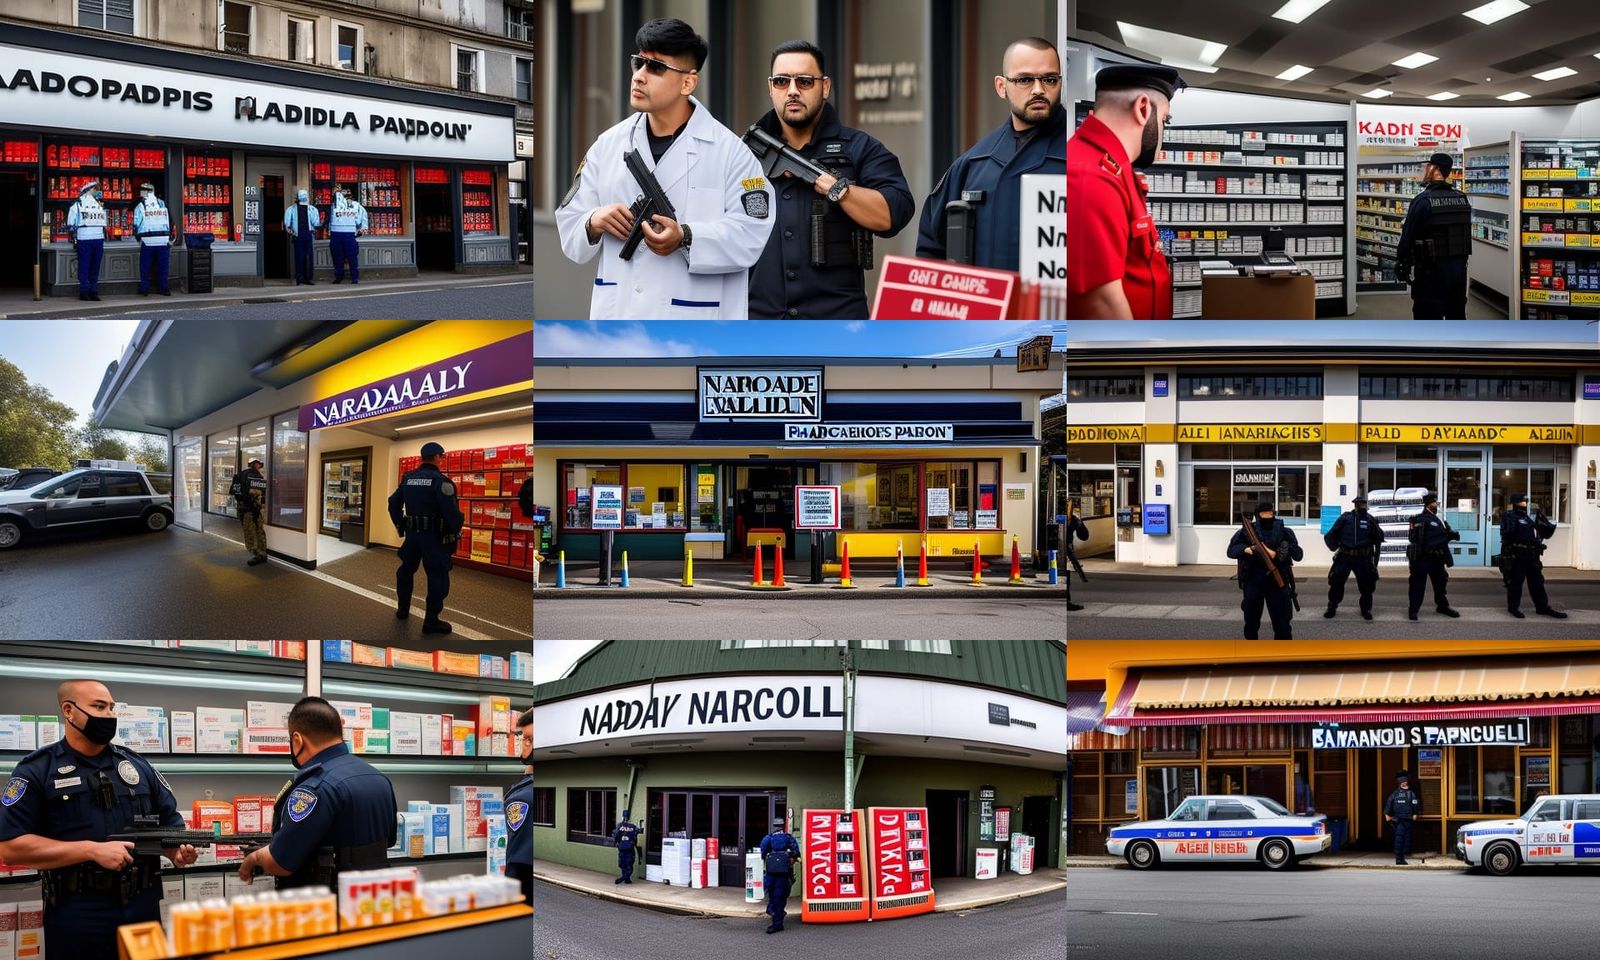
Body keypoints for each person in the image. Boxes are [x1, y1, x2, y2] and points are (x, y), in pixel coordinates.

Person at [556, 18, 774, 319]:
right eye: (638, 63)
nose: (639, 77)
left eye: (656, 67)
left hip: (695, 323)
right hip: (619, 318)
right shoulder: (607, 146)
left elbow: (752, 234)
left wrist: (686, 235)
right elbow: (569, 222)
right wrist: (594, 220)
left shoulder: (731, 153)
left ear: (688, 82)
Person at [0, 679, 199, 957]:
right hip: (78, 914)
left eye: (111, 707)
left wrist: (174, 850)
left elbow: (170, 824)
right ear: (69, 711)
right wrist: (90, 850)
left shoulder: (138, 766)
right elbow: (10, 848)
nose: (109, 715)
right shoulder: (37, 770)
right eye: (99, 706)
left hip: (142, 907)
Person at [748, 40, 914, 318]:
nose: (792, 91)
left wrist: (840, 190)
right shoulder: (742, 153)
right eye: (781, 81)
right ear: (770, 88)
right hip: (760, 323)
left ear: (825, 87)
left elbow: (894, 212)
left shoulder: (859, 148)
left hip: (837, 323)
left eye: (804, 81)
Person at [918, 37, 1066, 271]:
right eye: (1025, 80)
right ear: (1001, 86)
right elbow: (932, 249)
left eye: (1049, 79)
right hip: (986, 305)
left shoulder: (1079, 154)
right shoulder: (973, 162)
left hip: (1056, 306)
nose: (1039, 89)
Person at [237, 697, 397, 889]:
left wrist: (255, 857)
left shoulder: (314, 788)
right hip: (373, 901)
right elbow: (389, 840)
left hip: (325, 906)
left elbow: (280, 863)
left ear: (297, 740)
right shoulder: (378, 778)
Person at [1067, 64, 1185, 319]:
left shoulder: (1115, 168)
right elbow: (1100, 304)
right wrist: (1141, 357)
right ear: (1143, 108)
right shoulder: (1089, 176)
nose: (1163, 131)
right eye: (1165, 120)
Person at [387, 441, 465, 634]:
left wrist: (401, 526)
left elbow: (392, 503)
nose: (442, 460)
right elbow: (452, 513)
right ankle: (431, 621)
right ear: (438, 457)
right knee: (437, 577)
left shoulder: (408, 478)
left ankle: (403, 610)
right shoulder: (442, 482)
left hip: (413, 537)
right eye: (442, 457)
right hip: (434, 539)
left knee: (406, 571)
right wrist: (454, 533)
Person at [1395, 152, 1470, 319]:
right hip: (1458, 273)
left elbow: (1407, 236)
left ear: (1434, 169)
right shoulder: (1462, 199)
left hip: (1431, 272)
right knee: (1456, 317)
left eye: (1427, 166)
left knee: (1427, 320)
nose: (1424, 170)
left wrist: (1401, 261)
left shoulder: (1423, 200)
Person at [1226, 500, 1303, 640]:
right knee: (1251, 623)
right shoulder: (1247, 532)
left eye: (1270, 512)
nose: (1268, 515)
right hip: (1253, 581)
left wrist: (1284, 549)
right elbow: (1231, 551)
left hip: (1278, 582)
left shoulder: (1285, 531)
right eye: (1264, 513)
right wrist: (1247, 550)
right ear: (1257, 514)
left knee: (1282, 625)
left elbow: (1299, 555)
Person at [1500, 491, 1567, 619]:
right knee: (1516, 583)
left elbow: (1534, 534)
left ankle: (1542, 607)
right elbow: (1508, 535)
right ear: (1515, 503)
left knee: (1537, 582)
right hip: (1517, 555)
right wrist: (1529, 541)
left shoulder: (1527, 517)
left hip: (1531, 556)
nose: (1525, 503)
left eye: (1526, 501)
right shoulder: (1509, 516)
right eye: (1522, 501)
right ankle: (1513, 607)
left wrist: (1538, 540)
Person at [1323, 494, 1384, 620]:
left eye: (1363, 504)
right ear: (1355, 505)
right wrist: (1336, 547)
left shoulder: (1370, 520)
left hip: (1363, 558)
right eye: (1359, 504)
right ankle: (1332, 606)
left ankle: (1366, 609)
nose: (1361, 506)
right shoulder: (1345, 518)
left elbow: (1378, 540)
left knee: (1367, 585)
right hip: (1345, 556)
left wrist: (1375, 563)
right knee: (1336, 582)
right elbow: (1330, 534)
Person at [1406, 492, 1460, 620]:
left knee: (1441, 583)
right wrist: (1446, 536)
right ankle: (1413, 610)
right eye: (1435, 503)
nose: (1437, 505)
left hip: (1437, 559)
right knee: (1417, 585)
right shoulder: (1419, 519)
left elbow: (1443, 535)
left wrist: (1451, 535)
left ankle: (1442, 606)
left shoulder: (1439, 519)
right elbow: (1418, 539)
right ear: (1429, 505)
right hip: (1423, 558)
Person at [504, 709, 533, 904]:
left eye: (529, 739)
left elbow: (518, 868)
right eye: (525, 739)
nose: (525, 745)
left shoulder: (524, 797)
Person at [66, 180, 107, 301]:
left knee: (94, 267)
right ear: (88, 191)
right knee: (86, 266)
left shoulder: (99, 205)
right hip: (85, 239)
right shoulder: (77, 205)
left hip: (97, 238)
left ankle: (92, 291)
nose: (97, 192)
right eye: (95, 189)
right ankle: (85, 291)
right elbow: (70, 223)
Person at [758, 816, 799, 934]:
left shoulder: (768, 838)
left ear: (774, 826)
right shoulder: (788, 838)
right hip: (784, 873)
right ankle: (778, 918)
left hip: (771, 872)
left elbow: (762, 853)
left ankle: (775, 916)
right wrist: (789, 856)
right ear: (783, 825)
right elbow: (796, 853)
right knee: (780, 896)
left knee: (772, 895)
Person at [133, 182, 174, 297]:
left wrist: (137, 235)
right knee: (163, 266)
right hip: (162, 239)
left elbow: (137, 222)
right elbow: (169, 220)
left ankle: (145, 289)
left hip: (148, 240)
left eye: (142, 190)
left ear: (145, 191)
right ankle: (164, 288)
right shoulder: (161, 203)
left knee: (145, 266)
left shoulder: (141, 205)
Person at [230, 457, 268, 566]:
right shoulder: (255, 476)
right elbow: (256, 495)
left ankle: (259, 553)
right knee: (257, 531)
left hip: (244, 508)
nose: (260, 467)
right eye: (259, 465)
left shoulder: (240, 474)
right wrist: (256, 507)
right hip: (253, 509)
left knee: (251, 531)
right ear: (255, 464)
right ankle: (260, 553)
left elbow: (235, 492)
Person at [328, 185, 368, 284]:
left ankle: (353, 277)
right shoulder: (333, 206)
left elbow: (363, 220)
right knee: (338, 257)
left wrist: (361, 231)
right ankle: (339, 277)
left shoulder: (357, 206)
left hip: (348, 235)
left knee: (351, 257)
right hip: (337, 234)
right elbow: (329, 220)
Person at [283, 188, 321, 285]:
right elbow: (287, 223)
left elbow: (315, 222)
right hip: (298, 234)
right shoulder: (291, 209)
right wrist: (289, 230)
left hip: (308, 233)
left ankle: (307, 278)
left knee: (307, 256)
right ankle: (300, 278)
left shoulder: (311, 209)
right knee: (300, 257)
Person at [1383, 770, 1422, 865]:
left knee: (1406, 840)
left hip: (1408, 819)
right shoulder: (1395, 793)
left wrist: (1416, 813)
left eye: (1405, 781)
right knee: (1399, 839)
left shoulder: (1411, 793)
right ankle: (1398, 859)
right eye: (1402, 782)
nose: (1404, 783)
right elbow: (1389, 802)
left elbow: (1415, 803)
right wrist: (1387, 814)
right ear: (1399, 782)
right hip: (1398, 820)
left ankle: (1402, 858)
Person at [1066, 508, 1089, 612]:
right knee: (1066, 576)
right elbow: (1084, 536)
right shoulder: (1073, 517)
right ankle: (1066, 601)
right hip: (1067, 551)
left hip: (1057, 550)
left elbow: (1084, 535)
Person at [611, 809, 640, 884]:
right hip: (629, 849)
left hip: (621, 848)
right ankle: (625, 878)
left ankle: (625, 878)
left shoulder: (619, 825)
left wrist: (617, 843)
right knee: (629, 864)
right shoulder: (633, 826)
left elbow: (615, 835)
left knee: (623, 864)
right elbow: (636, 834)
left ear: (622, 815)